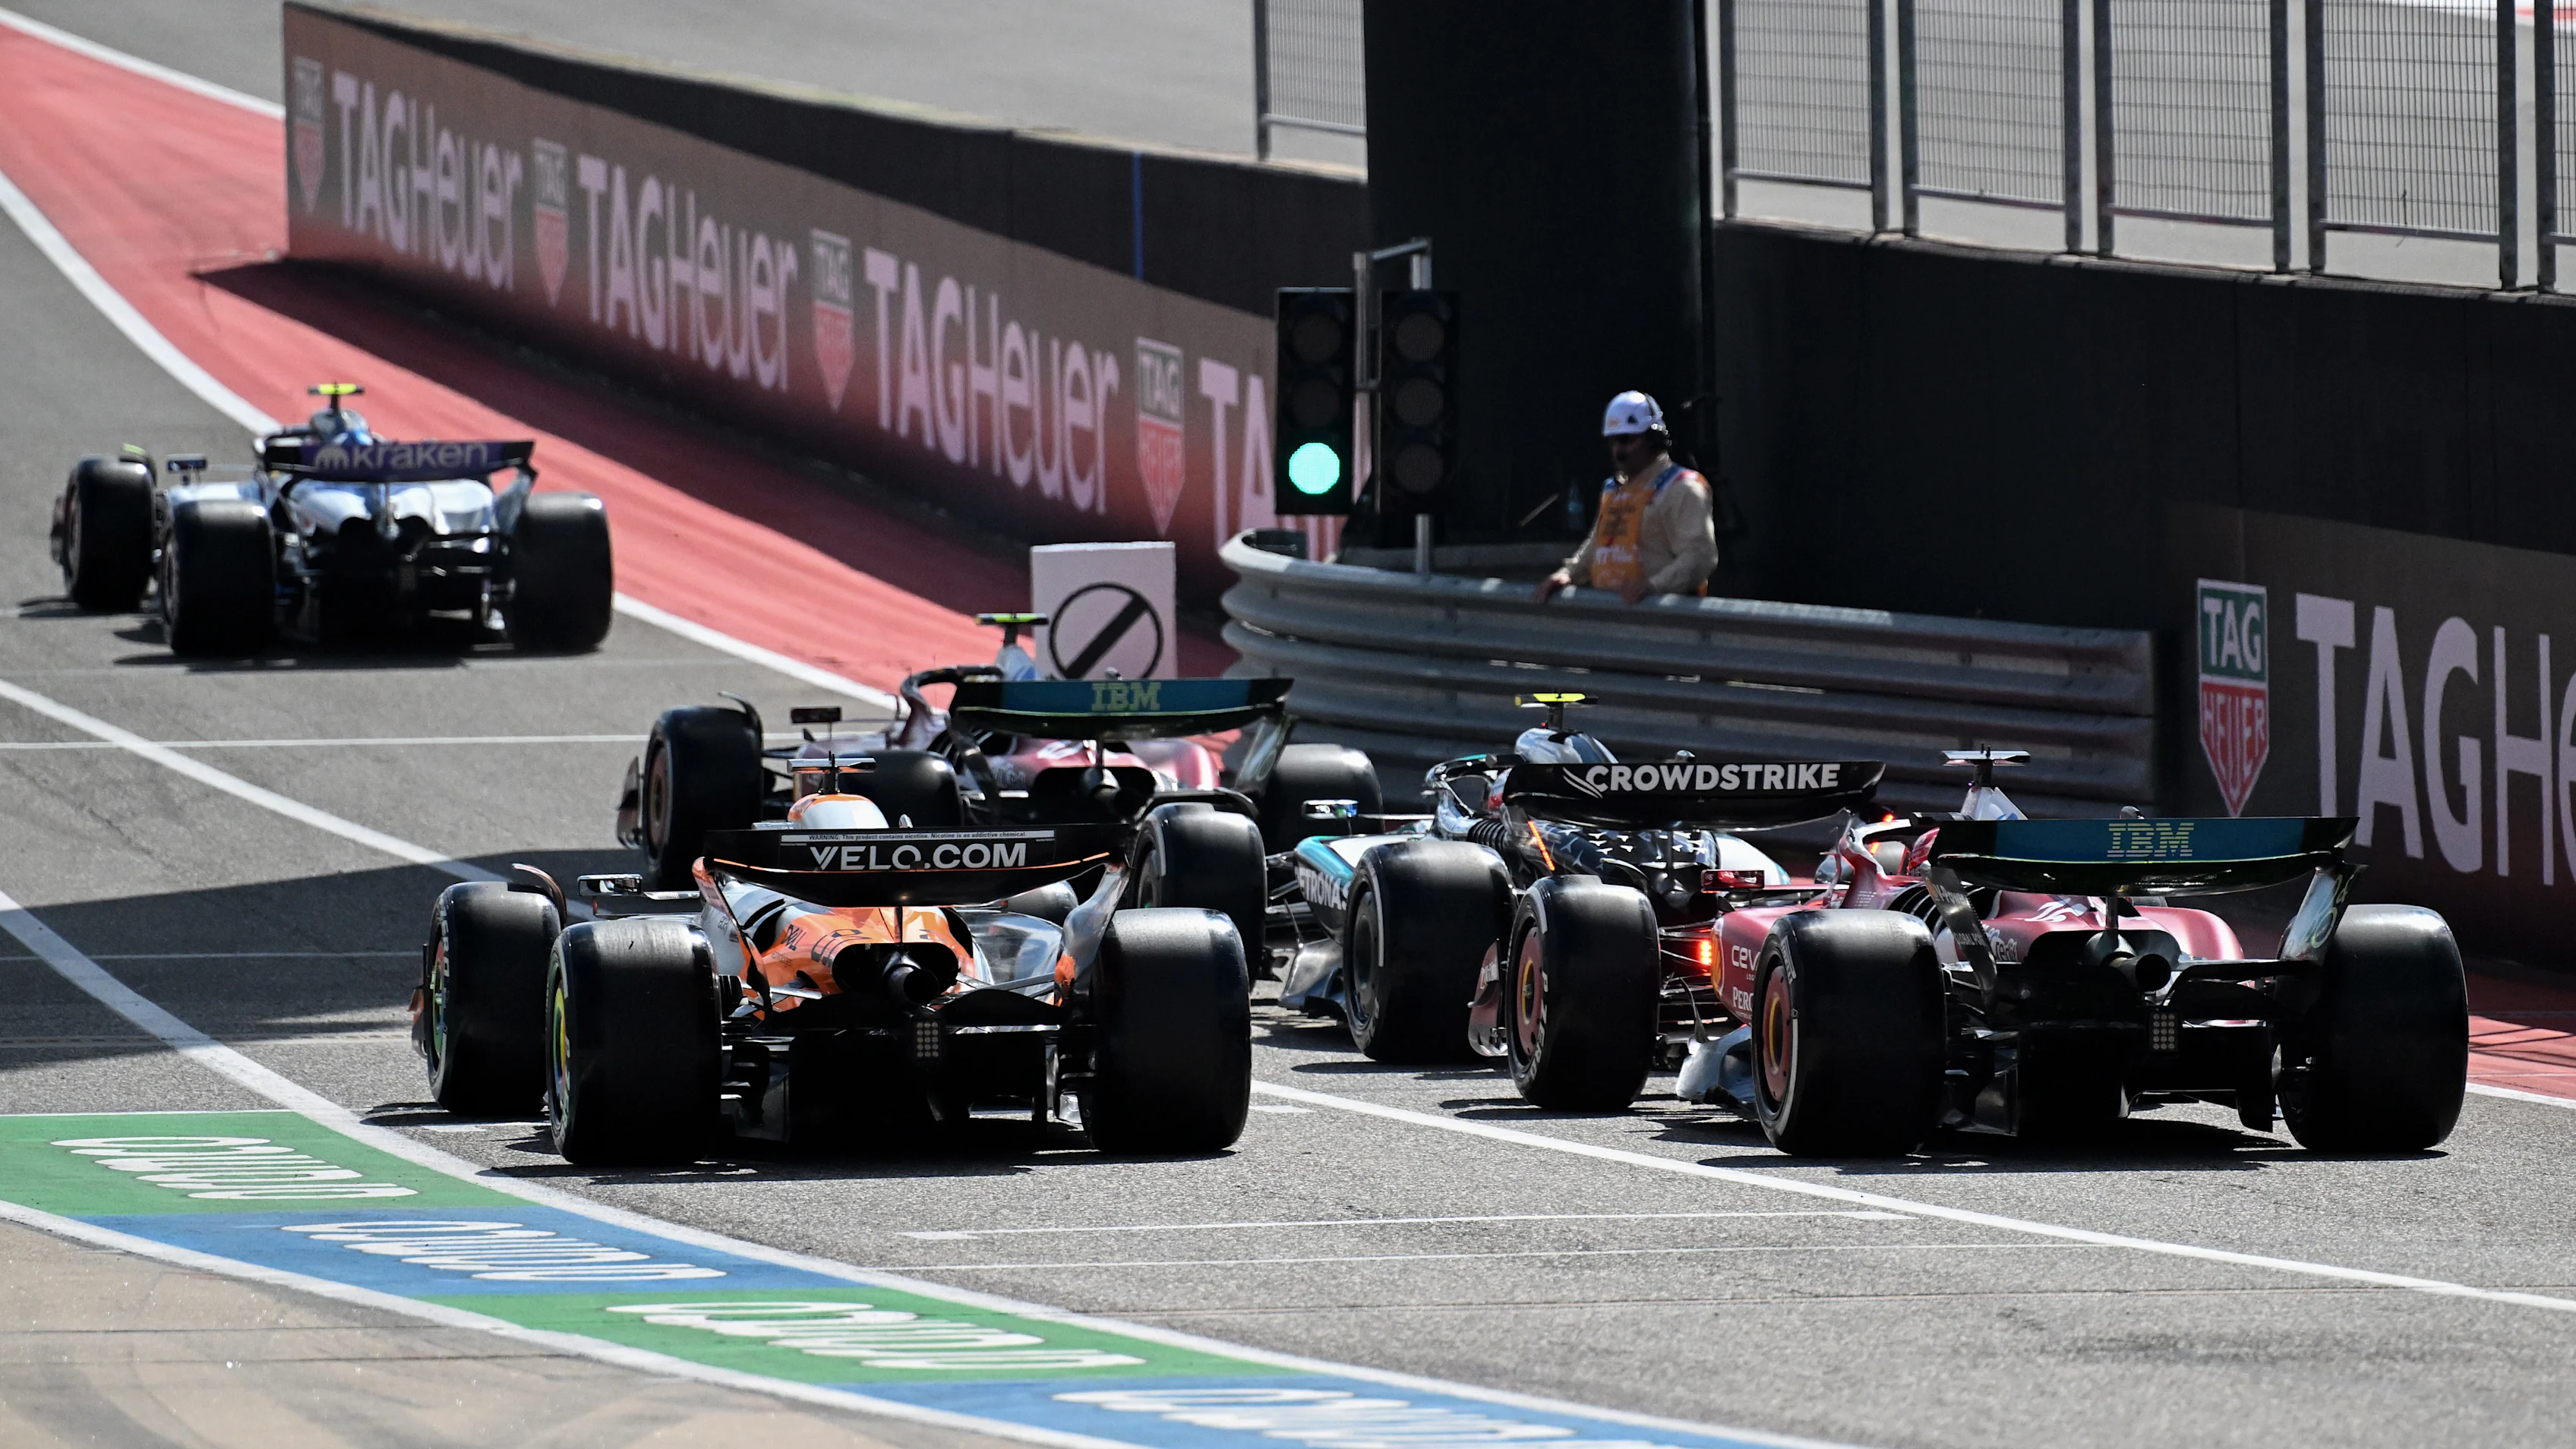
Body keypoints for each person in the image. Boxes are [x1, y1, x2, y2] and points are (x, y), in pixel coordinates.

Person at [1534, 391, 1716, 605]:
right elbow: (1599, 545)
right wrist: (1569, 574)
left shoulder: (1682, 488)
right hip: (1615, 619)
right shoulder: (1613, 489)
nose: (1618, 450)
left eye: (1626, 440)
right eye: (1613, 441)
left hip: (1664, 623)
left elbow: (1700, 556)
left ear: (1653, 439)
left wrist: (1653, 586)